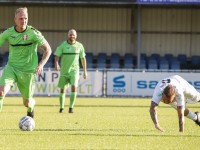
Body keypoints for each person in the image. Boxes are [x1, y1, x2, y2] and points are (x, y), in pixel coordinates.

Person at [0, 7, 52, 118]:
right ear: (15, 19)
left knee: (27, 103)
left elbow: (48, 49)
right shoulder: (8, 33)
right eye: (20, 18)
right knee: (1, 92)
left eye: (25, 18)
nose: (23, 21)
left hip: (28, 72)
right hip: (12, 68)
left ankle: (31, 106)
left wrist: (41, 65)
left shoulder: (33, 33)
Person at [54, 29, 87, 113]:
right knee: (63, 89)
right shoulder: (62, 45)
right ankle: (61, 108)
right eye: (70, 35)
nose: (72, 36)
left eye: (73, 35)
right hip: (64, 71)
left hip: (74, 71)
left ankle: (71, 108)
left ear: (76, 36)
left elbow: (83, 58)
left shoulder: (79, 45)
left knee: (74, 87)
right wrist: (56, 64)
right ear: (68, 35)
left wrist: (85, 71)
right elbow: (57, 55)